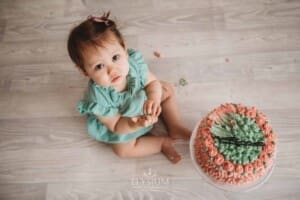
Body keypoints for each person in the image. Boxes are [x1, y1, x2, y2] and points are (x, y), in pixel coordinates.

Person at [67, 12, 191, 163]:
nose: (112, 70)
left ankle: (174, 126)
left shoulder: (133, 64)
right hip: (125, 122)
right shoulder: (97, 99)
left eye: (115, 58)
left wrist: (153, 98)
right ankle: (160, 143)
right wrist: (135, 124)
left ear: (124, 48)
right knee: (123, 151)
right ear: (85, 71)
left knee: (167, 89)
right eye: (99, 66)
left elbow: (152, 83)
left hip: (145, 103)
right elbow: (116, 125)